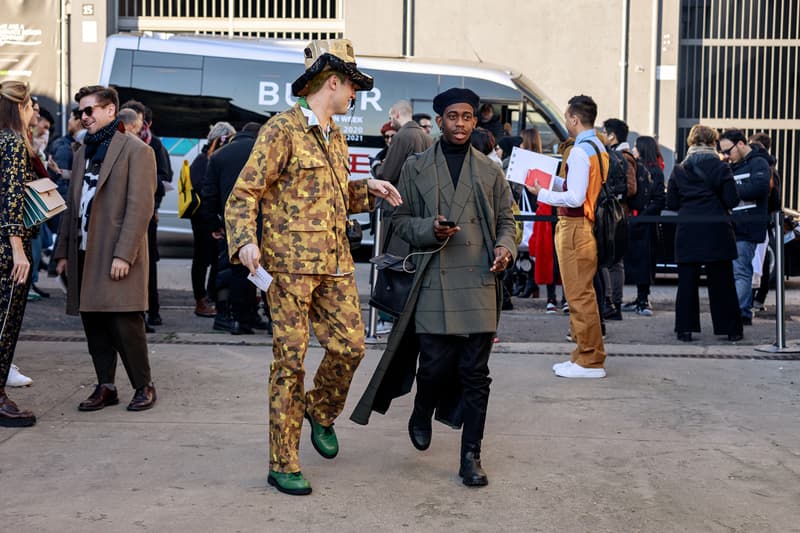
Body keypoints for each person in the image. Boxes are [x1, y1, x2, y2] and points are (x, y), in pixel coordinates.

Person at [224, 39, 401, 496]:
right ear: (334, 83)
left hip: (336, 264)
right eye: (353, 86)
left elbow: (333, 198)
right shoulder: (282, 130)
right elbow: (245, 194)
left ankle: (320, 411)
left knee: (351, 348)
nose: (356, 95)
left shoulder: (335, 136)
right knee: (290, 361)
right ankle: (282, 461)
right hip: (287, 270)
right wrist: (245, 241)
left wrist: (368, 189)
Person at [351, 87, 518, 487]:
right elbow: (399, 220)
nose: (460, 123)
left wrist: (504, 249)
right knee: (434, 367)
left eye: (467, 116)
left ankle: (471, 456)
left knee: (476, 374)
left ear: (476, 121)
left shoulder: (491, 171)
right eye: (452, 116)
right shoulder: (415, 166)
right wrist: (430, 229)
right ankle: (422, 408)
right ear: (439, 120)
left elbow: (509, 223)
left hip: (479, 280)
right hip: (432, 281)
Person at [54, 85, 158, 412]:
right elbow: (72, 206)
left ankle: (144, 386)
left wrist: (124, 254)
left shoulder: (136, 150)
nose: (84, 117)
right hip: (84, 250)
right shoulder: (82, 151)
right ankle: (106, 386)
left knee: (125, 322)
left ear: (110, 110)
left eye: (90, 110)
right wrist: (61, 254)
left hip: (115, 251)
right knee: (93, 322)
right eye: (81, 112)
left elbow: (140, 207)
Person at [529, 95, 607, 378]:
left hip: (574, 226)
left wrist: (543, 193)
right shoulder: (597, 146)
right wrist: (556, 184)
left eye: (566, 117)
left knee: (579, 295)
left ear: (574, 119)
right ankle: (583, 355)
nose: (565, 122)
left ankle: (589, 359)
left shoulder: (578, 151)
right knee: (583, 293)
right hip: (586, 226)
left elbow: (574, 197)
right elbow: (581, 189)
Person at [666, 125, 742, 342]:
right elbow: (731, 200)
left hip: (688, 229)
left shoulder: (679, 169)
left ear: (691, 142)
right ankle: (731, 329)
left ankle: (685, 329)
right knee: (722, 282)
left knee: (687, 282)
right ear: (713, 142)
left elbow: (671, 202)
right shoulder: (721, 167)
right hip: (716, 229)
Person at [202, 122, 265, 335]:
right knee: (265, 271)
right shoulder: (264, 153)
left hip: (232, 224)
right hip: (264, 222)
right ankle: (272, 322)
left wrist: (214, 224)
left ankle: (239, 321)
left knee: (238, 271)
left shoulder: (219, 156)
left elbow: (208, 194)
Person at [0, 80, 38, 426]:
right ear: (19, 107)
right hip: (8, 249)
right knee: (6, 322)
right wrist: (18, 251)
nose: (32, 112)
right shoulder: (11, 143)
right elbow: (11, 199)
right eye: (29, 106)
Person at [120, 100, 171, 329]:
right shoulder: (120, 143)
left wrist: (156, 205)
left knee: (147, 265)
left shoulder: (154, 145)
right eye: (138, 121)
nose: (141, 126)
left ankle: (152, 311)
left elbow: (164, 176)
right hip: (124, 213)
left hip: (148, 213)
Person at [718, 129, 771, 326]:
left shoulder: (759, 163)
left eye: (728, 150)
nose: (726, 155)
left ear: (740, 144)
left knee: (741, 271)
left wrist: (731, 191)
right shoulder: (735, 165)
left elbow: (760, 188)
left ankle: (741, 312)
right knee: (736, 271)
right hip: (734, 225)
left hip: (747, 226)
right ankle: (738, 310)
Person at [189, 121, 236, 318]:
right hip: (202, 218)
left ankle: (212, 296)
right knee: (202, 259)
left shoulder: (212, 158)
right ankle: (201, 300)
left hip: (211, 218)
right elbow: (203, 188)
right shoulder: (203, 160)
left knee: (216, 260)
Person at [621, 135, 665, 315]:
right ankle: (639, 298)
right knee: (634, 261)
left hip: (646, 223)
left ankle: (643, 298)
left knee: (645, 262)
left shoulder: (655, 172)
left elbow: (659, 199)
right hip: (634, 220)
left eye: (636, 147)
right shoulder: (635, 167)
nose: (633, 150)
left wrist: (643, 215)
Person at [599, 118, 638, 320]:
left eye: (604, 131)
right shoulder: (625, 156)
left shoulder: (621, 156)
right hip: (619, 212)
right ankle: (613, 303)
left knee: (610, 260)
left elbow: (631, 188)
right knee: (613, 260)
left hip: (614, 214)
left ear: (612, 135)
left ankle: (612, 303)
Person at [749, 132, 781, 311]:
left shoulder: (761, 168)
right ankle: (759, 300)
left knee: (757, 261)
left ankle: (755, 299)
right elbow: (776, 200)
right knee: (763, 260)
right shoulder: (772, 169)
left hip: (759, 219)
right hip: (767, 219)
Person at [373, 99, 433, 185]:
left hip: (403, 195)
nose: (390, 123)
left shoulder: (401, 136)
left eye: (391, 118)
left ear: (397, 115)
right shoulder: (429, 139)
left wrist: (376, 165)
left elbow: (387, 176)